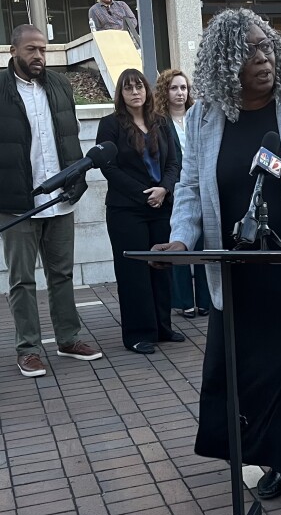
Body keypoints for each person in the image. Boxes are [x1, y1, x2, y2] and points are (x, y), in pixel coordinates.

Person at [154, 9, 281, 515]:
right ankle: (269, 458)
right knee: (250, 372)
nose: (262, 59)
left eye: (267, 47)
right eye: (247, 53)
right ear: (224, 64)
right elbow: (193, 188)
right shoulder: (203, 117)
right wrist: (179, 242)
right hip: (237, 273)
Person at [0, 24, 103, 377]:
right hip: (17, 202)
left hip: (60, 197)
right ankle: (28, 348)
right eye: (31, 49)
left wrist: (76, 179)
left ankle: (68, 338)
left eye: (42, 49)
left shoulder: (59, 85)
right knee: (22, 279)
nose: (39, 56)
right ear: (13, 51)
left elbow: (69, 135)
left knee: (61, 274)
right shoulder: (0, 89)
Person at [96, 69, 181, 355]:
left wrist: (164, 189)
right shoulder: (110, 125)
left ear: (147, 91)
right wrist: (143, 194)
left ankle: (162, 327)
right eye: (128, 88)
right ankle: (137, 334)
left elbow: (175, 163)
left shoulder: (162, 122)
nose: (135, 92)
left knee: (161, 267)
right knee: (134, 273)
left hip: (161, 205)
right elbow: (108, 167)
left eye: (139, 87)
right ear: (120, 94)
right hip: (126, 209)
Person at [154, 68, 210, 319]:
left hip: (203, 187)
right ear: (165, 92)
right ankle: (184, 300)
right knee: (181, 242)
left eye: (183, 88)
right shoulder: (159, 121)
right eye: (174, 88)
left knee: (204, 248)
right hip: (175, 191)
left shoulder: (199, 116)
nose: (180, 93)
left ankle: (206, 300)